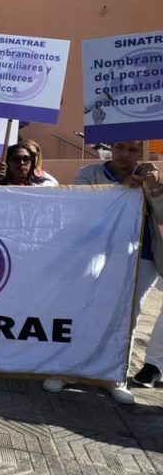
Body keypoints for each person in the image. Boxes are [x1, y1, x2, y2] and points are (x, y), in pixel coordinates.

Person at [43, 141, 162, 404]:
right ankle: (69, 368)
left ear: (142, 153)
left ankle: (113, 375)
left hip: (141, 256)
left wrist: (155, 188)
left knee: (128, 316)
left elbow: (162, 217)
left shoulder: (153, 177)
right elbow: (80, 203)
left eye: (133, 150)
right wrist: (121, 190)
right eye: (120, 148)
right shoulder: (89, 172)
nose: (125, 155)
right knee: (84, 308)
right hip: (95, 252)